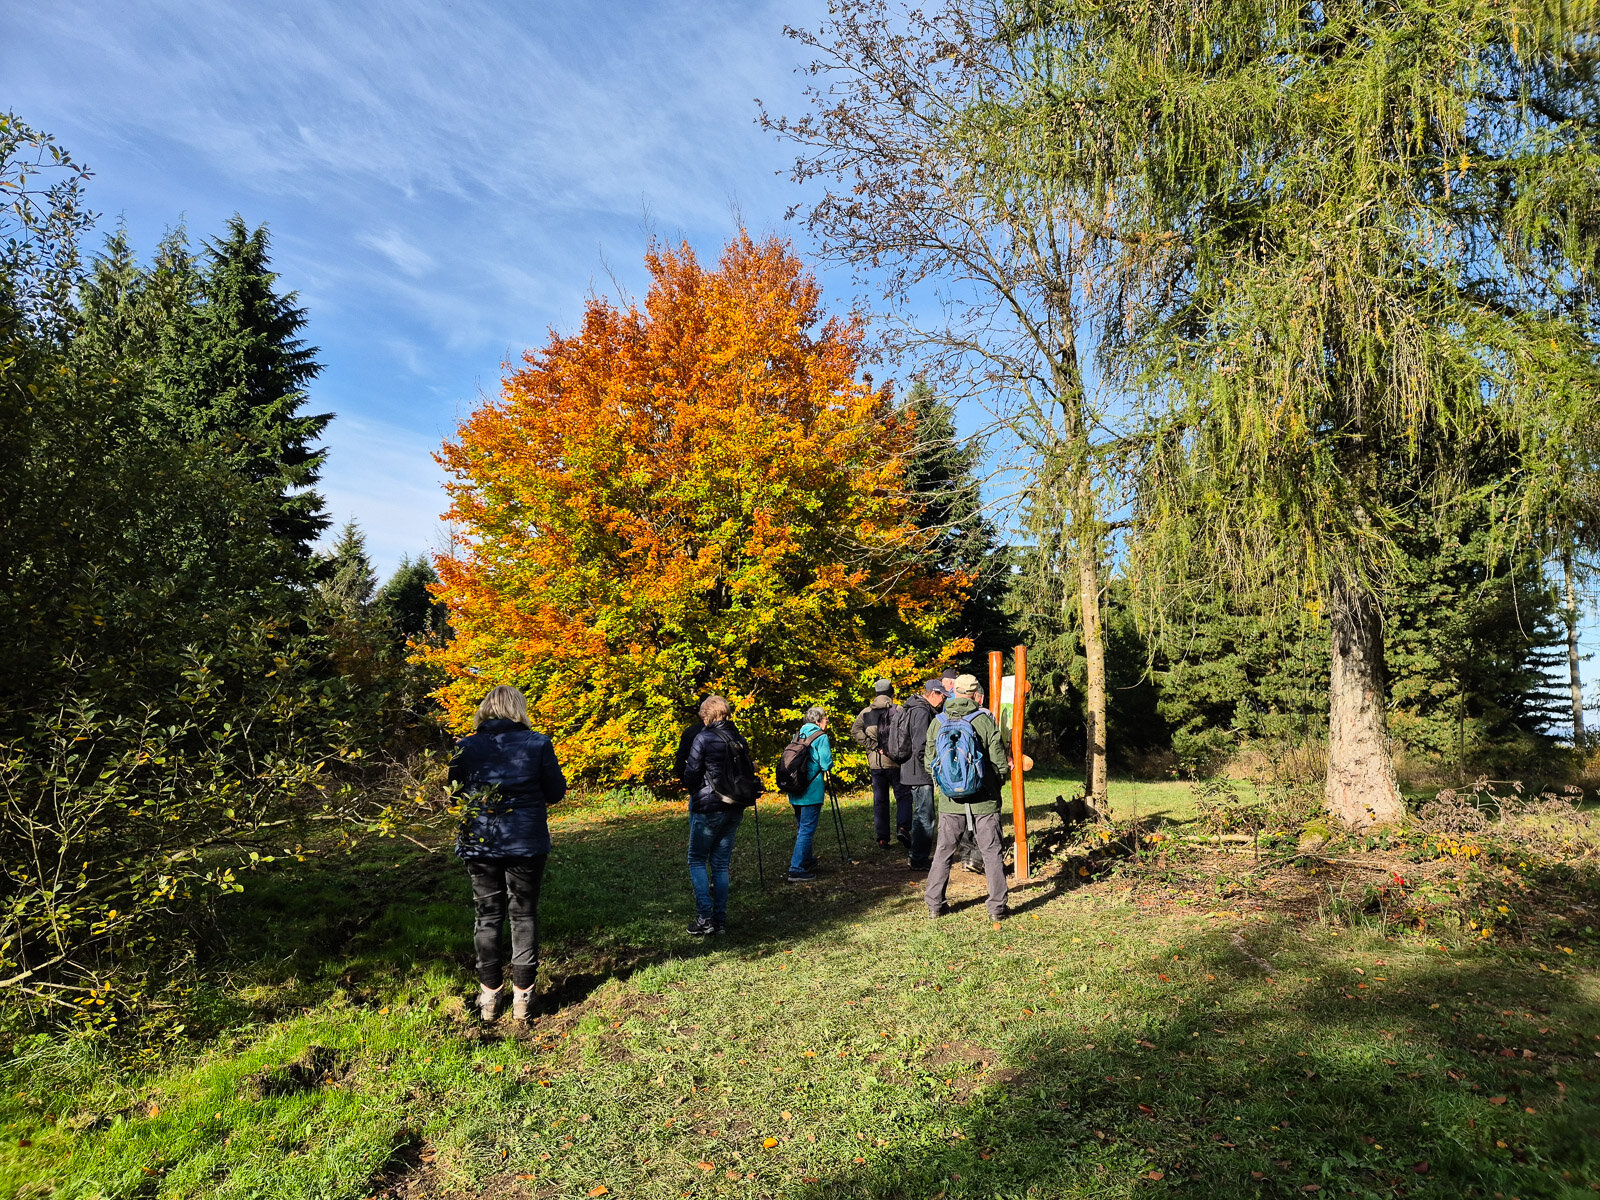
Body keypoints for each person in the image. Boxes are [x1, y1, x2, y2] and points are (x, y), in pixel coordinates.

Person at [451, 684, 567, 1022]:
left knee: (487, 916)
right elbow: (556, 792)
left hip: (480, 841)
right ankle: (522, 999)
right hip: (525, 842)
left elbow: (455, 795)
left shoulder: (466, 747)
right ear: (519, 709)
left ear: (486, 710)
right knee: (523, 915)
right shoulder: (538, 743)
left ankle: (489, 997)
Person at [923, 674, 1011, 923]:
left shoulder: (938, 721)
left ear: (953, 692)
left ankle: (935, 904)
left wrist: (949, 784)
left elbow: (929, 762)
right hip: (985, 799)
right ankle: (997, 908)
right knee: (991, 851)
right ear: (975, 694)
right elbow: (998, 763)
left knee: (944, 851)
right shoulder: (984, 720)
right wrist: (996, 784)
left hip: (950, 802)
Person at [682, 695, 758, 935]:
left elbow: (691, 773)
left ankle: (705, 918)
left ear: (708, 715)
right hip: (733, 805)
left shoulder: (702, 738)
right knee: (721, 864)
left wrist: (695, 792)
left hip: (708, 807)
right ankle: (720, 920)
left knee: (696, 860)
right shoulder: (738, 738)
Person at [852, 679, 911, 849]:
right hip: (896, 762)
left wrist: (873, 746)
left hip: (876, 764)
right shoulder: (898, 710)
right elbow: (906, 732)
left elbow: (855, 731)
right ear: (891, 692)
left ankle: (883, 838)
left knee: (880, 800)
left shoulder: (865, 713)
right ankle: (903, 828)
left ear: (876, 693)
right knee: (903, 796)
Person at [896, 679, 946, 870]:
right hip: (920, 771)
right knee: (925, 815)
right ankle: (918, 858)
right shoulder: (922, 711)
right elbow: (921, 746)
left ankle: (917, 856)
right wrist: (932, 768)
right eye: (941, 695)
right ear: (932, 693)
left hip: (912, 769)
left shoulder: (913, 707)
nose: (943, 700)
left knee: (922, 813)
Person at [783, 706, 834, 881]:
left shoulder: (797, 736)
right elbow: (826, 764)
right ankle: (796, 868)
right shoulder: (821, 737)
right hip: (812, 790)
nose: (827, 721)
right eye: (826, 718)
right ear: (818, 720)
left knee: (801, 827)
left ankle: (807, 860)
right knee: (806, 829)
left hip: (795, 788)